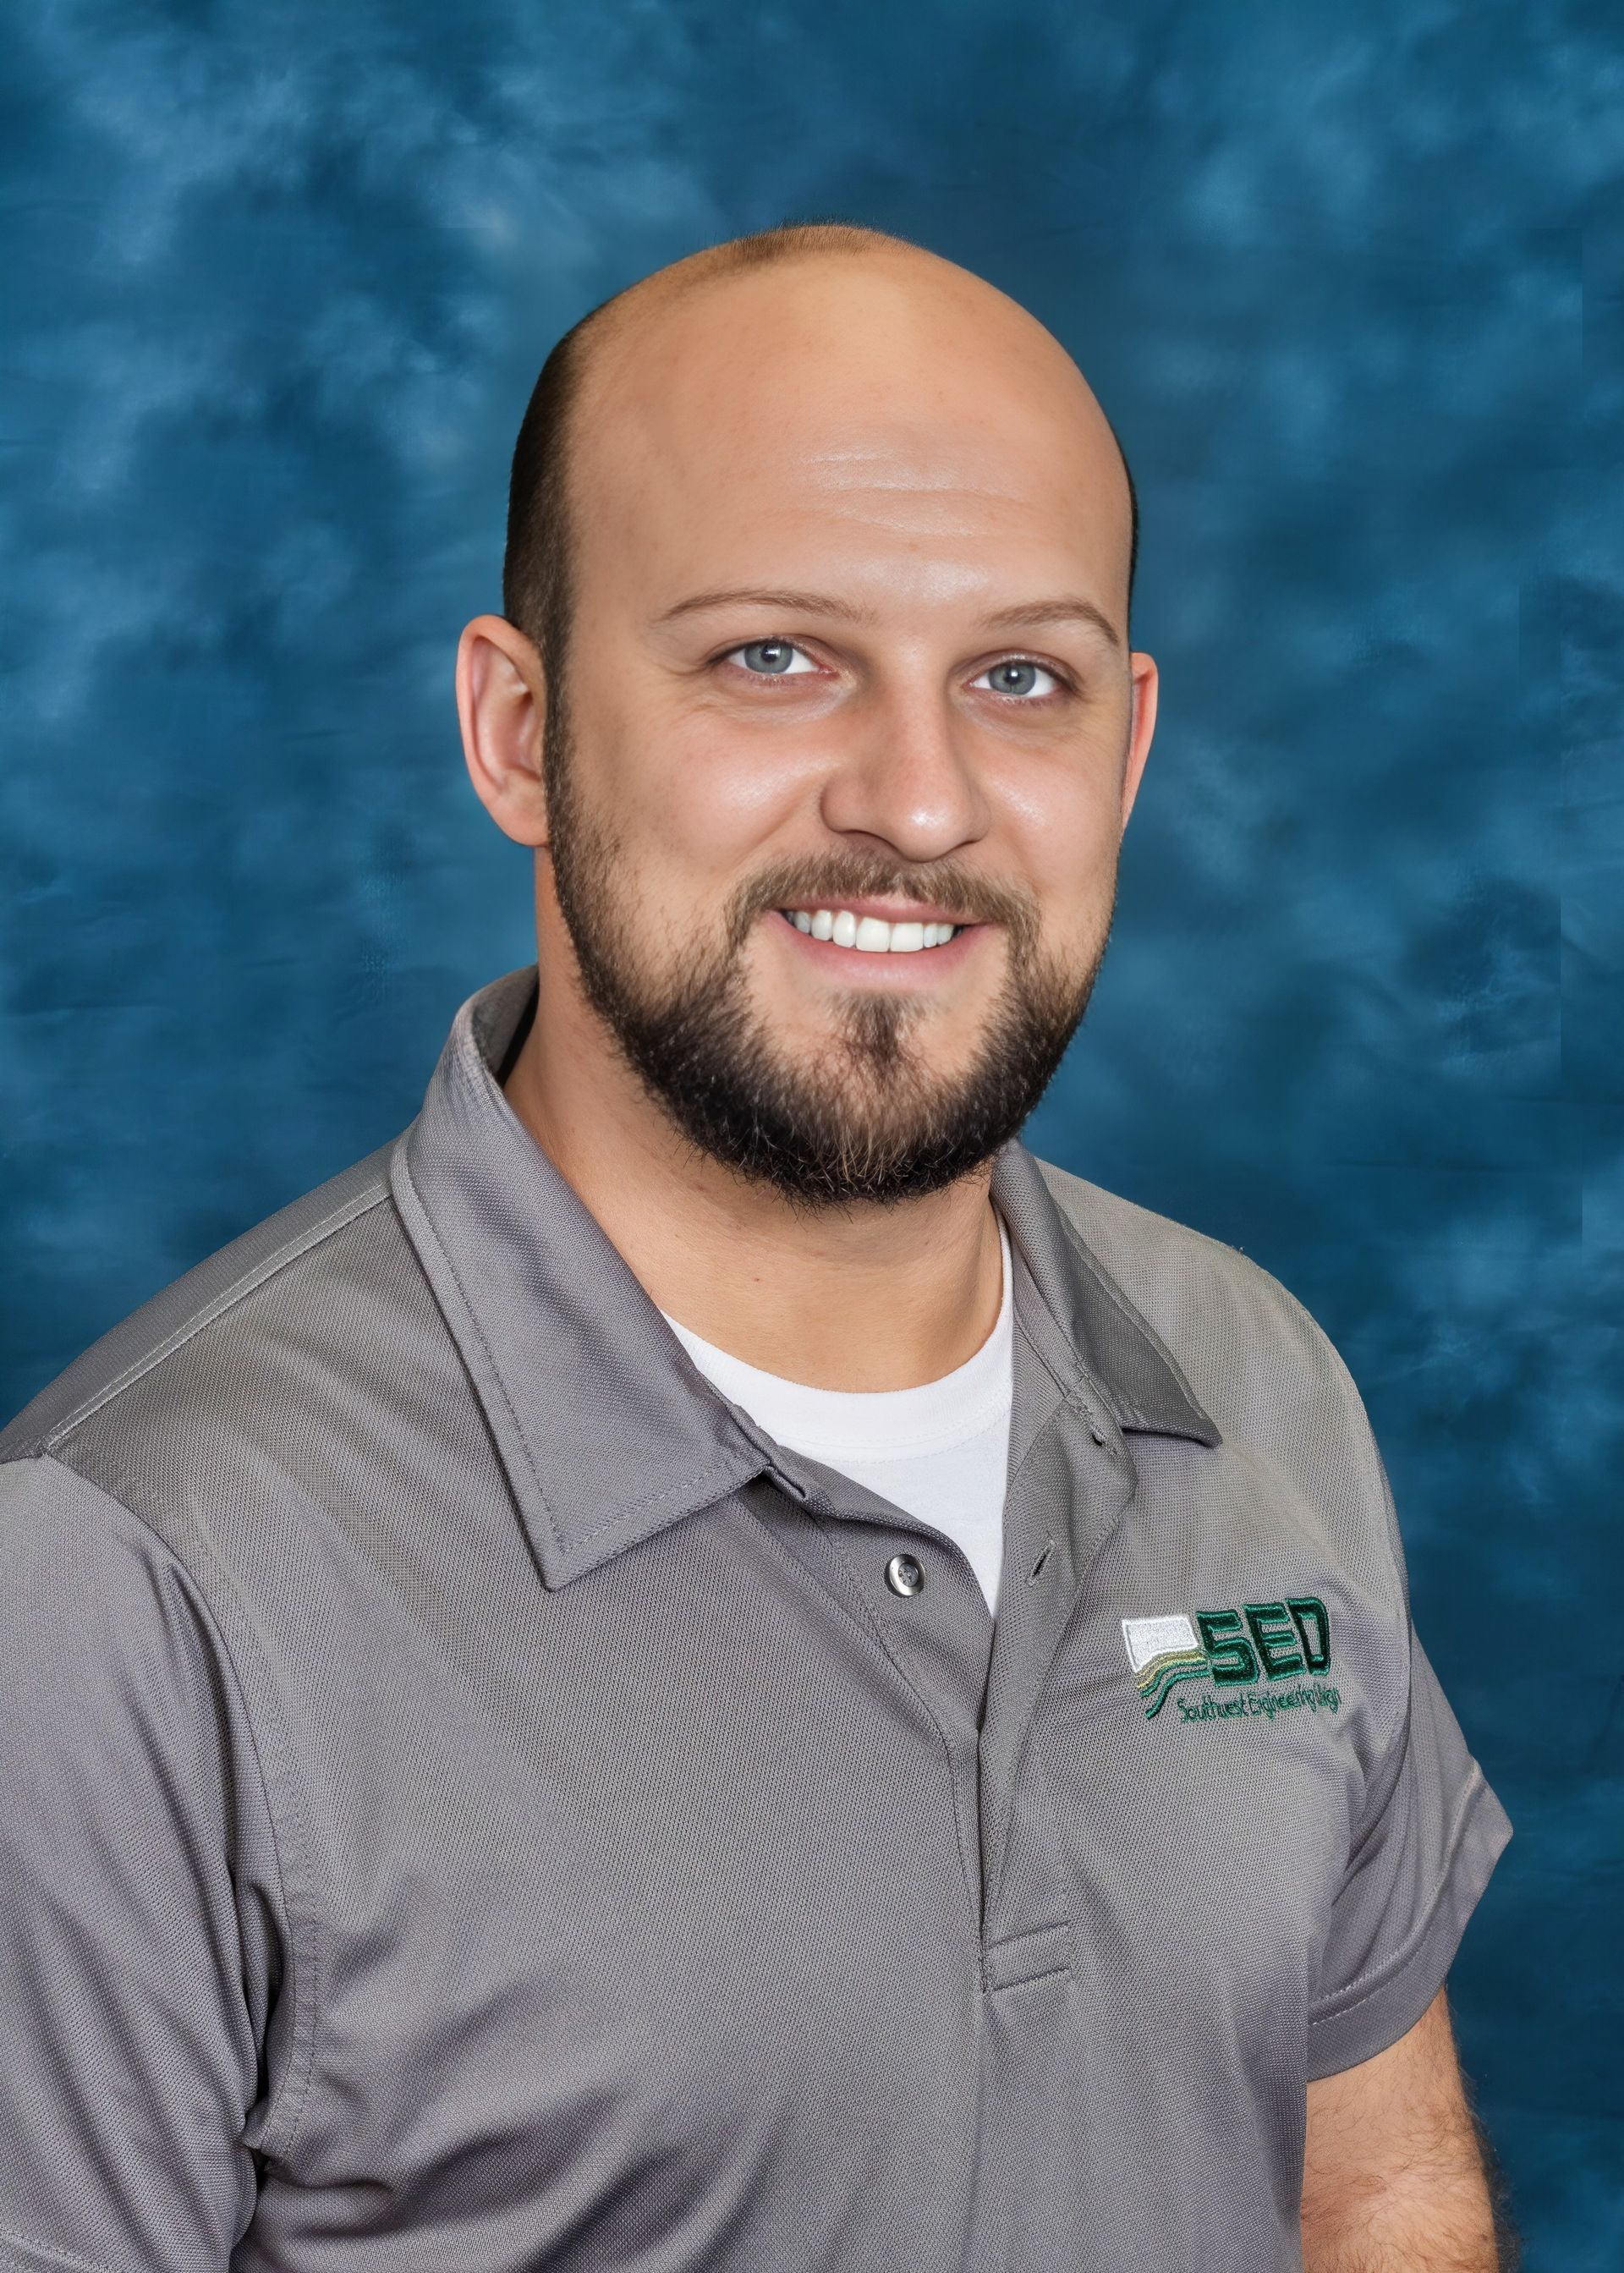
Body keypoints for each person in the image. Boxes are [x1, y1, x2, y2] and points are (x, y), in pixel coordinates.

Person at [0, 221, 1514, 2272]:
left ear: (1132, 746)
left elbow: (1376, 2191)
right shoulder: (124, 1575)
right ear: (517, 730)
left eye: (1020, 678)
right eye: (774, 658)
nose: (919, 802)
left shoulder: (1249, 1379)